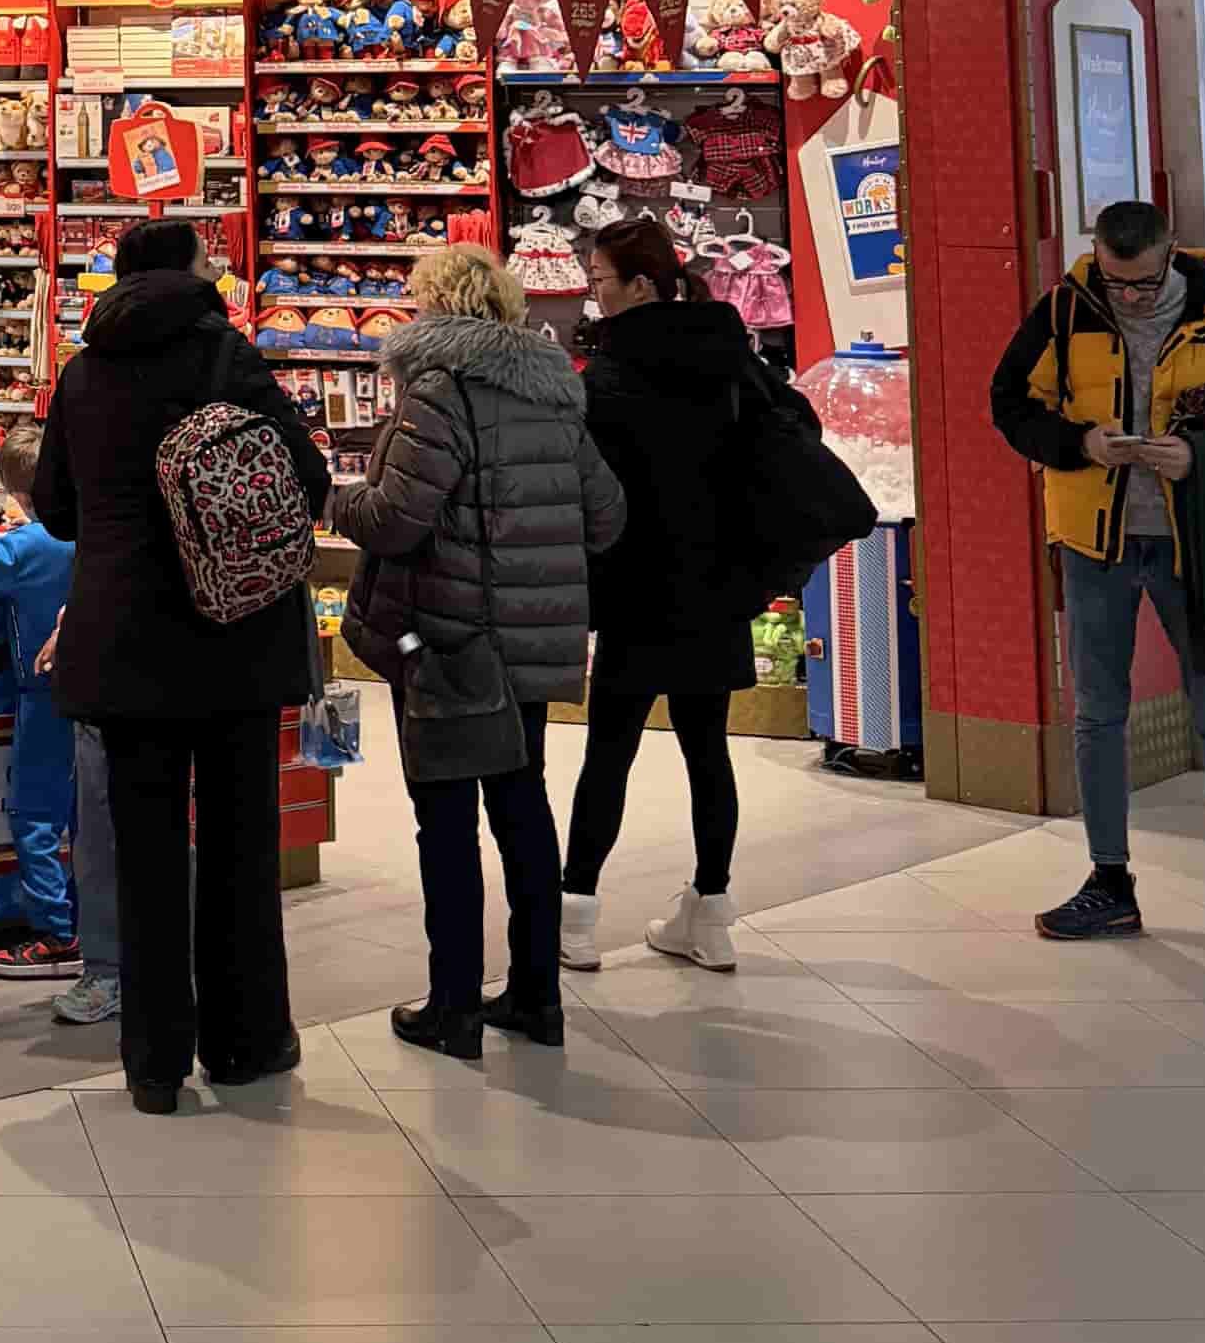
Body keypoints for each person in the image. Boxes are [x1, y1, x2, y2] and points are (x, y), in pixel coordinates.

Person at [39, 222, 330, 1110]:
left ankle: (153, 1062)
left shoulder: (84, 371)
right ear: (193, 273)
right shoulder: (228, 359)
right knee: (241, 848)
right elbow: (305, 484)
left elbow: (54, 507)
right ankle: (246, 1043)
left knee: (146, 853)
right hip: (236, 635)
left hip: (125, 643)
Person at [991, 197, 1205, 964]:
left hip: (1198, 545)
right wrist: (1077, 442)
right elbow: (1007, 405)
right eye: (1114, 282)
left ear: (1171, 255)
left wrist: (1202, 460)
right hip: (1092, 543)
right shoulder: (1065, 309)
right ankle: (1109, 883)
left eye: (1141, 284)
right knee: (1097, 713)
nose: (1127, 298)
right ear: (1096, 257)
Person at [343, 242, 624, 1059]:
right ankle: (538, 998)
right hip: (530, 645)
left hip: (447, 640)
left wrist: (336, 498)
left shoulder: (435, 394)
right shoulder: (553, 397)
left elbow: (395, 520)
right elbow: (606, 518)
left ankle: (454, 1008)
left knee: (445, 821)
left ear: (435, 308)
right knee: (523, 809)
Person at [562, 216, 797, 976]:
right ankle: (713, 916)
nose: (593, 298)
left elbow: (591, 487)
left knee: (610, 752)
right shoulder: (731, 357)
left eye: (600, 283)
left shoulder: (611, 374)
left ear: (638, 286)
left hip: (634, 585)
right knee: (708, 753)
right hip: (716, 583)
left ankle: (575, 917)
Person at [0, 418, 81, 980]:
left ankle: (56, 935)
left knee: (35, 815)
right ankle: (95, 924)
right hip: (99, 691)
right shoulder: (94, 530)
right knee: (89, 812)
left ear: (15, 493)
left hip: (41, 695)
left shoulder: (19, 548)